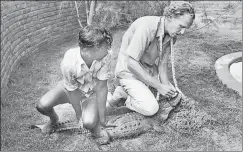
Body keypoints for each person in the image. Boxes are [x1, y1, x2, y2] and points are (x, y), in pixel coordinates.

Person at [106, 1, 195, 120]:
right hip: (129, 71)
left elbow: (162, 65)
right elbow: (131, 63)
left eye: (186, 29)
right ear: (171, 17)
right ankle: (124, 96)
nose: (183, 32)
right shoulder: (146, 27)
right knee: (151, 108)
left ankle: (130, 91)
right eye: (181, 26)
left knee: (172, 92)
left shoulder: (171, 35)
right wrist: (159, 86)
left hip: (147, 70)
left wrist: (166, 88)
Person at [36, 26, 113, 142]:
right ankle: (54, 119)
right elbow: (71, 90)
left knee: (89, 123)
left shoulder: (106, 56)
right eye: (103, 48)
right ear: (87, 51)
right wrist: (79, 115)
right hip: (71, 90)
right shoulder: (69, 62)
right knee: (42, 105)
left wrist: (102, 118)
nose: (107, 50)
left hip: (91, 92)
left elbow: (102, 87)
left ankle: (95, 118)